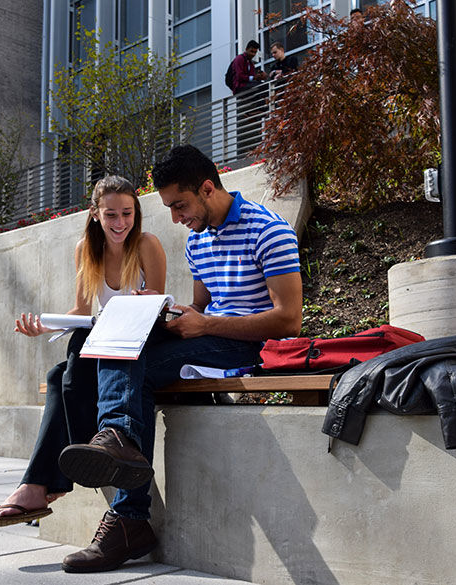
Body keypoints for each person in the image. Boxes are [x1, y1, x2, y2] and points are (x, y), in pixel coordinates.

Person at [57, 145, 303, 573]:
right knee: (122, 335)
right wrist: (170, 317)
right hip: (212, 338)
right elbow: (202, 309)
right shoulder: (198, 241)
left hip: (252, 345)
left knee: (135, 366)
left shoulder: (269, 231)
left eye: (179, 205)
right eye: (169, 208)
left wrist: (205, 325)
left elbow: (288, 320)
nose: (174, 218)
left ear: (207, 188)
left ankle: (127, 503)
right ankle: (121, 454)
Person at [0, 175, 166, 528]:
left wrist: (145, 300)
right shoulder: (85, 249)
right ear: (95, 213)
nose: (120, 223)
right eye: (111, 215)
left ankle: (41, 483)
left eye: (127, 213)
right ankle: (55, 475)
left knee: (69, 364)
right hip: (103, 341)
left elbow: (157, 307)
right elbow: (81, 311)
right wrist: (47, 325)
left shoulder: (146, 244)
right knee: (57, 373)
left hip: (139, 341)